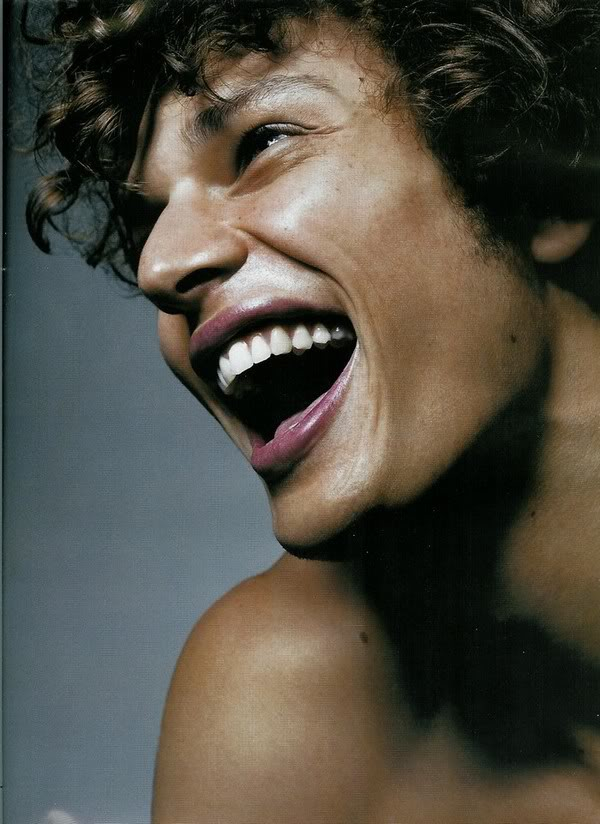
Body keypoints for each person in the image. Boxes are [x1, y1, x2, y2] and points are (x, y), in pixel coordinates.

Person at [26, 0, 600, 820]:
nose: (159, 265)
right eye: (149, 217)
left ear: (541, 178)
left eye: (262, 142)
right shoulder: (282, 706)